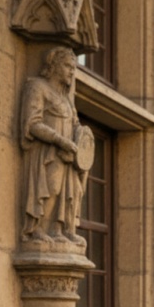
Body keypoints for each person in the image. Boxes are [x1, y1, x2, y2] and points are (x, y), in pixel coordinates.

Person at [20, 46, 89, 249]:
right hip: (48, 153)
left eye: (74, 67)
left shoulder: (67, 99)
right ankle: (38, 229)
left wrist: (81, 142)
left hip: (68, 156)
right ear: (54, 65)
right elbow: (32, 124)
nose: (71, 71)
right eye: (67, 66)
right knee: (51, 187)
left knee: (70, 192)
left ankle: (60, 229)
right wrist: (60, 140)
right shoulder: (38, 87)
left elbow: (76, 125)